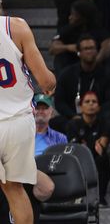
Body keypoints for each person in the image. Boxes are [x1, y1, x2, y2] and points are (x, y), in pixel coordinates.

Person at [0, 14, 56, 224]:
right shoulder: (16, 27)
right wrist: (52, 82)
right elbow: (45, 81)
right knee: (15, 190)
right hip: (18, 122)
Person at [53, 34, 110, 138]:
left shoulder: (107, 74)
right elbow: (59, 102)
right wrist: (73, 116)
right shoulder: (67, 74)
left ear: (97, 51)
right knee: (54, 122)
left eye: (92, 48)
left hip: (99, 118)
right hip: (74, 117)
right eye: (85, 48)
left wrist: (94, 113)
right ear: (79, 52)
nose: (89, 51)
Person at [66, 91, 110, 205]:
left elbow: (101, 147)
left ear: (99, 107)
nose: (91, 104)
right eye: (87, 101)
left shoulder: (104, 123)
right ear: (81, 107)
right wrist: (90, 146)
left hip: (96, 158)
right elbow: (76, 148)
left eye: (94, 102)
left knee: (104, 159)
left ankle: (101, 198)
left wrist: (90, 145)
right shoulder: (73, 125)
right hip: (79, 158)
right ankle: (76, 197)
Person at [49, 0, 110, 75]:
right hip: (71, 67)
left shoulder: (97, 30)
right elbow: (53, 49)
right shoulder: (68, 30)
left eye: (74, 14)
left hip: (93, 66)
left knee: (108, 61)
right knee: (60, 58)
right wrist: (68, 47)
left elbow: (109, 43)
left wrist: (96, 60)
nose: (70, 17)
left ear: (83, 17)